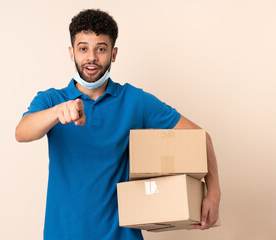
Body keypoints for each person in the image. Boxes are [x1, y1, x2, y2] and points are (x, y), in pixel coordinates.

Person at [15, 9, 221, 240]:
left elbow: (201, 137)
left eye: (100, 49)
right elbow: (22, 132)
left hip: (122, 236)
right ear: (72, 52)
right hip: (62, 234)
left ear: (113, 54)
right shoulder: (51, 99)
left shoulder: (135, 100)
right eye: (83, 48)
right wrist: (57, 111)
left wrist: (213, 193)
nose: (91, 57)